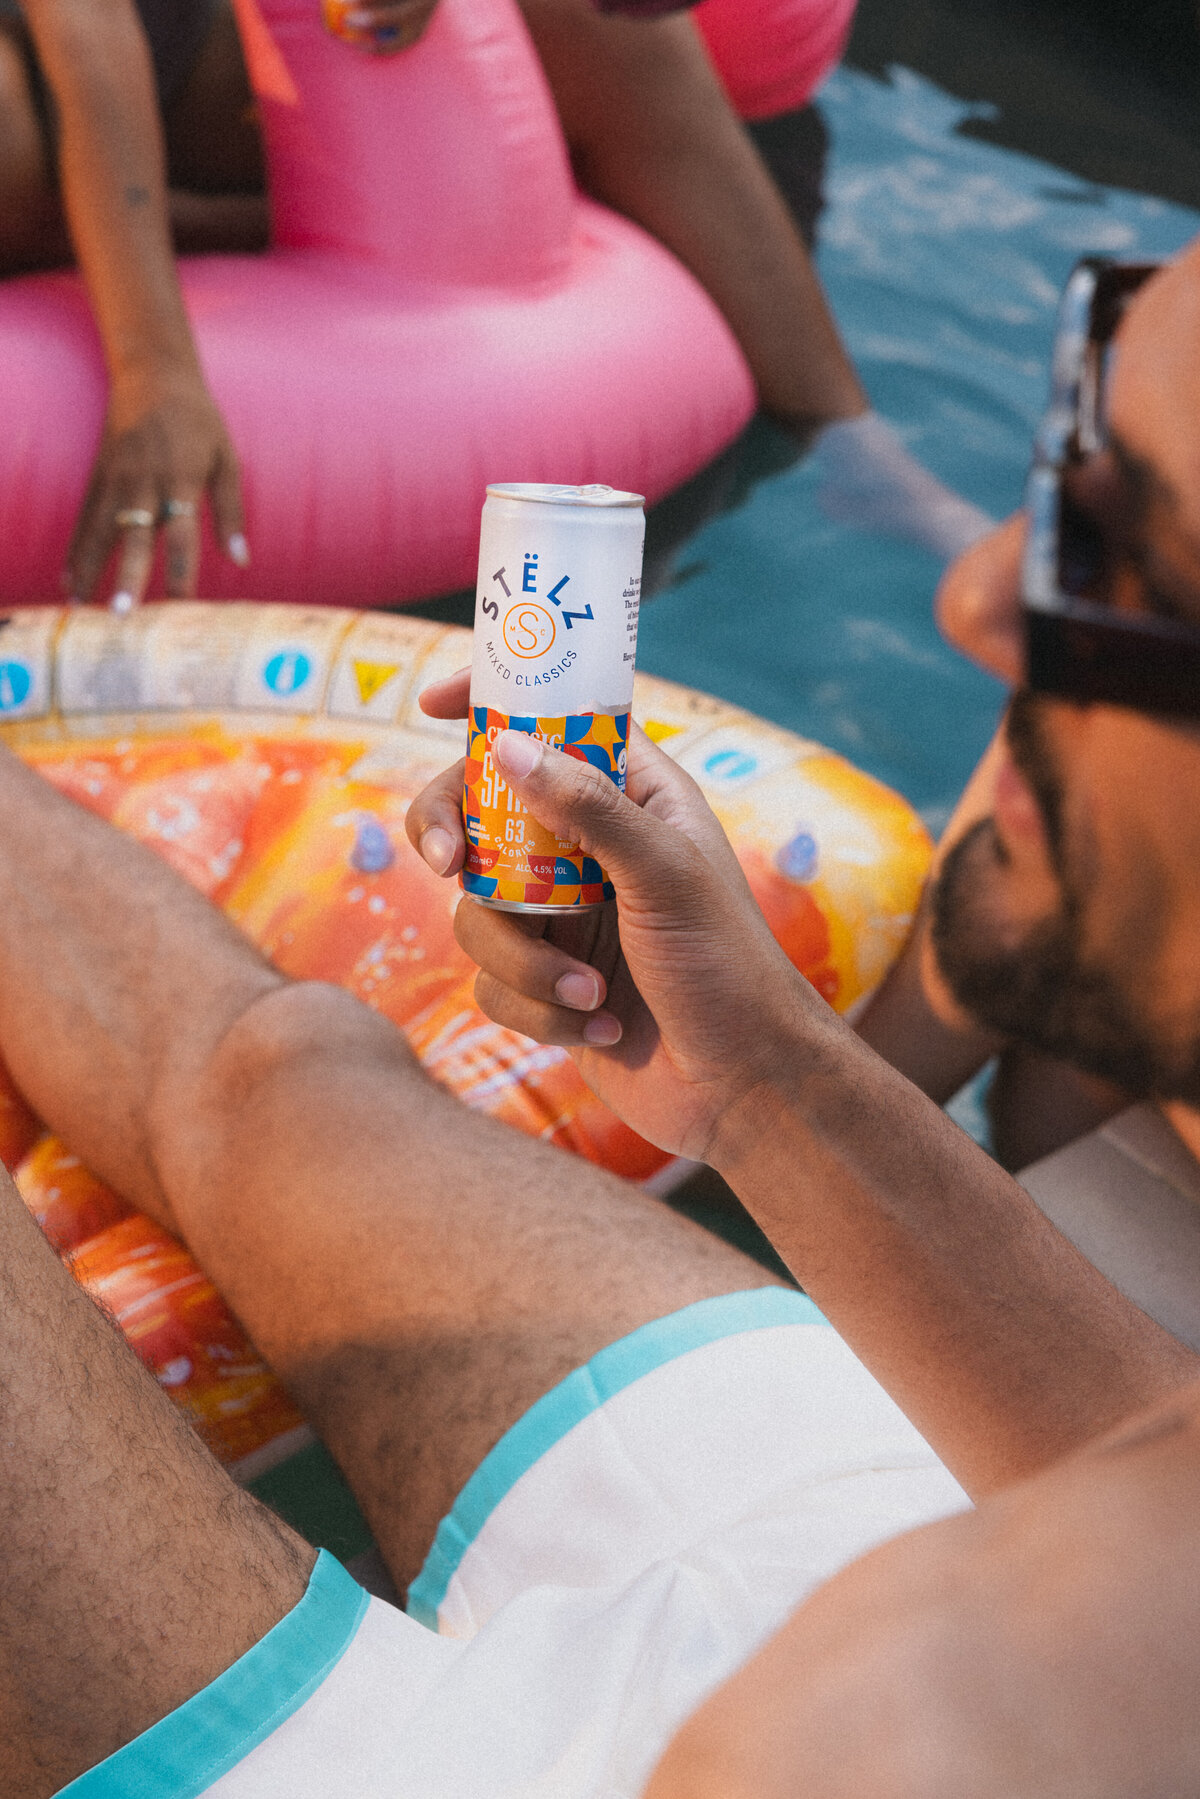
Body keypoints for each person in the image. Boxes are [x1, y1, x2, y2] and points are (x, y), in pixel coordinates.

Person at [1, 248, 1198, 1794]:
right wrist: (759, 1081)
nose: (974, 592)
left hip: (873, 1705)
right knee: (282, 1066)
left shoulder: (905, 1718)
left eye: (1132, 566)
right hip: (960, 1512)